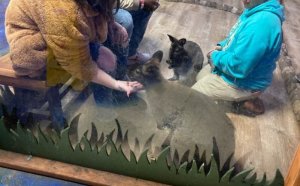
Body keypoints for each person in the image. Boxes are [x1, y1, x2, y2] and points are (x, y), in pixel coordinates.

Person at [5, 0, 143, 99]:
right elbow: (80, 65)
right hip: (34, 46)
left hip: (62, 27)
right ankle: (106, 110)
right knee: (107, 60)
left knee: (124, 23)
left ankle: (118, 83)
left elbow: (101, 8)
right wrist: (116, 84)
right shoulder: (65, 13)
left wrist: (112, 24)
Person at [192, 0, 285, 116]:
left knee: (192, 98)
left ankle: (244, 101)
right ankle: (238, 100)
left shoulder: (261, 24)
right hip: (237, 71)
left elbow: (238, 67)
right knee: (199, 77)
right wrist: (221, 46)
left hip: (243, 82)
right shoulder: (255, 7)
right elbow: (235, 36)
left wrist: (215, 56)